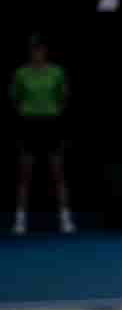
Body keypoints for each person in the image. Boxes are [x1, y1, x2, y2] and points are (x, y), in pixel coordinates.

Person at [10, 32, 74, 235]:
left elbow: (63, 98)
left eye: (40, 49)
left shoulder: (57, 72)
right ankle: (20, 222)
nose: (37, 53)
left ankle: (65, 221)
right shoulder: (20, 74)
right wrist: (29, 112)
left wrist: (51, 113)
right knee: (25, 175)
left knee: (58, 173)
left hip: (51, 124)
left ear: (45, 52)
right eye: (33, 50)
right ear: (29, 52)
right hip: (29, 124)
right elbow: (15, 99)